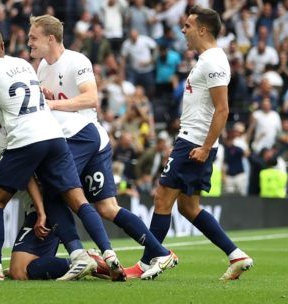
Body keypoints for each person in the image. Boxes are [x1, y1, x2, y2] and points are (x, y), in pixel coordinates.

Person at [0, 27, 123, 281]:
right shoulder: (24, 64)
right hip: (54, 134)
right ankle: (105, 254)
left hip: (26, 138)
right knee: (79, 201)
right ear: (3, 45)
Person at [27, 15, 176, 279]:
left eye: (33, 37)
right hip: (76, 140)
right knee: (107, 208)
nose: (29, 42)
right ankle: (160, 252)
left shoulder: (76, 60)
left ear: (50, 39)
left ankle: (80, 254)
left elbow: (91, 99)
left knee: (53, 190)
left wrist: (53, 104)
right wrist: (46, 97)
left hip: (84, 136)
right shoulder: (41, 68)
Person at [125, 6, 254, 280]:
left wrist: (205, 147)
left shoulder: (213, 62)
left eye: (187, 25)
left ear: (202, 29)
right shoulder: (207, 59)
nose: (183, 30)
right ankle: (236, 254)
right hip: (195, 140)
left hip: (193, 142)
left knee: (161, 198)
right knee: (188, 207)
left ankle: (150, 261)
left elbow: (223, 110)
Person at [0, 98, 113, 281]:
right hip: (39, 208)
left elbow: (28, 174)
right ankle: (85, 261)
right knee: (20, 269)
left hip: (42, 210)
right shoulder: (10, 130)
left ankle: (88, 261)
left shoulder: (3, 135)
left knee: (19, 271)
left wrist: (40, 212)